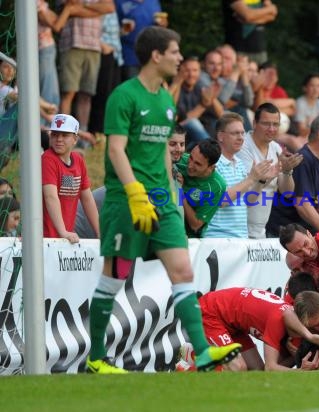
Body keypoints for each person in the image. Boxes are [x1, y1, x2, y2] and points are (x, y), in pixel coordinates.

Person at [86, 26, 241, 374]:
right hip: (126, 201)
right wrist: (134, 193)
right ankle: (96, 357)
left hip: (162, 200)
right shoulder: (124, 96)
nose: (180, 58)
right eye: (175, 52)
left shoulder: (166, 102)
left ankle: (201, 352)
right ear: (156, 56)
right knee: (114, 277)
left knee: (183, 270)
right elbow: (114, 150)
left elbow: (160, 154)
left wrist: (169, 195)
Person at [177, 287, 319, 372]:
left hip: (235, 326)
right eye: (316, 325)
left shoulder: (291, 313)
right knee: (238, 368)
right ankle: (187, 370)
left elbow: (264, 370)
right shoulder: (278, 321)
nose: (317, 329)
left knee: (255, 370)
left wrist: (295, 356)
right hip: (211, 312)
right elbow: (271, 368)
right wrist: (301, 372)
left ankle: (194, 355)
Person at [236, 103, 303, 239]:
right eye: (266, 124)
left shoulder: (276, 148)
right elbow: (247, 194)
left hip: (261, 230)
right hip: (240, 228)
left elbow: (287, 192)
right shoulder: (242, 147)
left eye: (275, 124)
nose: (271, 129)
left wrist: (287, 171)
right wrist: (266, 177)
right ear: (254, 123)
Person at [203, 112, 272, 238]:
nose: (241, 137)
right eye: (235, 133)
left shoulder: (239, 163)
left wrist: (260, 181)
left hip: (240, 238)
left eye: (242, 133)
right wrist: (251, 178)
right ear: (221, 136)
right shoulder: (213, 164)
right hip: (218, 238)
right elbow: (222, 200)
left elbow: (248, 201)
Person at [57, 0, 115, 141]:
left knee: (86, 94)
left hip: (94, 46)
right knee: (68, 92)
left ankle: (82, 136)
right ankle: (64, 134)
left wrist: (82, 8)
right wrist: (96, 10)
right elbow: (69, 7)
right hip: (72, 44)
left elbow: (109, 7)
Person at [42, 114, 99, 243]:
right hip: (46, 238)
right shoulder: (47, 159)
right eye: (55, 134)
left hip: (65, 237)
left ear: (75, 139)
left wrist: (100, 231)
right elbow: (50, 197)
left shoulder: (78, 160)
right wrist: (63, 232)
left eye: (65, 135)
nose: (59, 139)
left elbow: (87, 198)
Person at [176, 139, 225, 238]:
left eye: (197, 164)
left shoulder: (217, 186)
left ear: (211, 167)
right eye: (191, 158)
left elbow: (196, 225)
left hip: (189, 240)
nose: (190, 165)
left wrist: (180, 192)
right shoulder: (180, 160)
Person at [169, 56, 216, 146]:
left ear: (200, 72)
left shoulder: (199, 87)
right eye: (187, 70)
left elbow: (220, 113)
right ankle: (213, 151)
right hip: (176, 131)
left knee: (219, 120)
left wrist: (212, 98)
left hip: (193, 137)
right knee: (193, 123)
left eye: (195, 70)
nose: (191, 74)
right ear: (180, 71)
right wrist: (177, 83)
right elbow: (182, 118)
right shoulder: (174, 87)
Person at [115, 0, 166, 80]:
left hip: (151, 55)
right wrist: (124, 30)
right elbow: (111, 28)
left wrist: (162, 24)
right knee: (132, 87)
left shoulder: (153, 2)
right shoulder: (119, 2)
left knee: (150, 88)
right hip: (129, 55)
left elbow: (161, 25)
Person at [222, 0, 278, 65]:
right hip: (238, 53)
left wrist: (250, 19)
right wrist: (270, 9)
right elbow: (247, 15)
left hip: (260, 53)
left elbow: (272, 16)